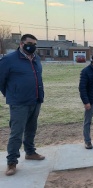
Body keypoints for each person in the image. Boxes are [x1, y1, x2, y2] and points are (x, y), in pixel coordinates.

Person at [0, 34, 45, 176]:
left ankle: (30, 152)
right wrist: (11, 94)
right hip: (19, 103)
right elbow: (1, 80)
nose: (32, 46)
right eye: (29, 43)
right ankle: (12, 162)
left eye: (34, 44)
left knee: (31, 129)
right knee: (17, 132)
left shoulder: (36, 58)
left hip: (35, 100)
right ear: (21, 44)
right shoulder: (9, 60)